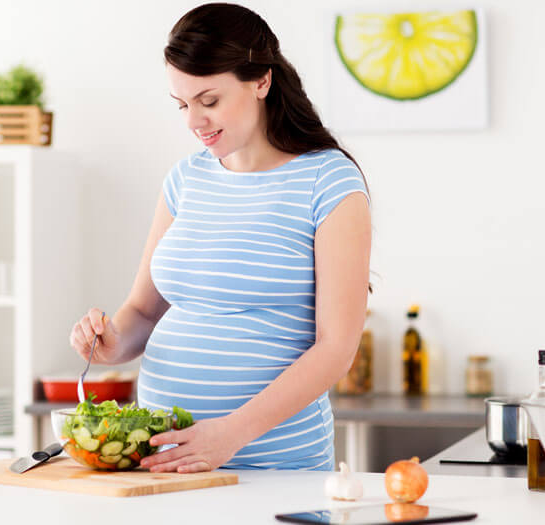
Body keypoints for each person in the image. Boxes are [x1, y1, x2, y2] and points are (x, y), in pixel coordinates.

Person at [69, 3, 371, 472]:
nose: (194, 121)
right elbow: (143, 312)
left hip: (274, 467)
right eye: (183, 104)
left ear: (261, 81)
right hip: (164, 461)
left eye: (209, 101)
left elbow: (336, 348)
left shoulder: (328, 182)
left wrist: (230, 434)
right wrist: (111, 342)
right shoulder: (186, 179)